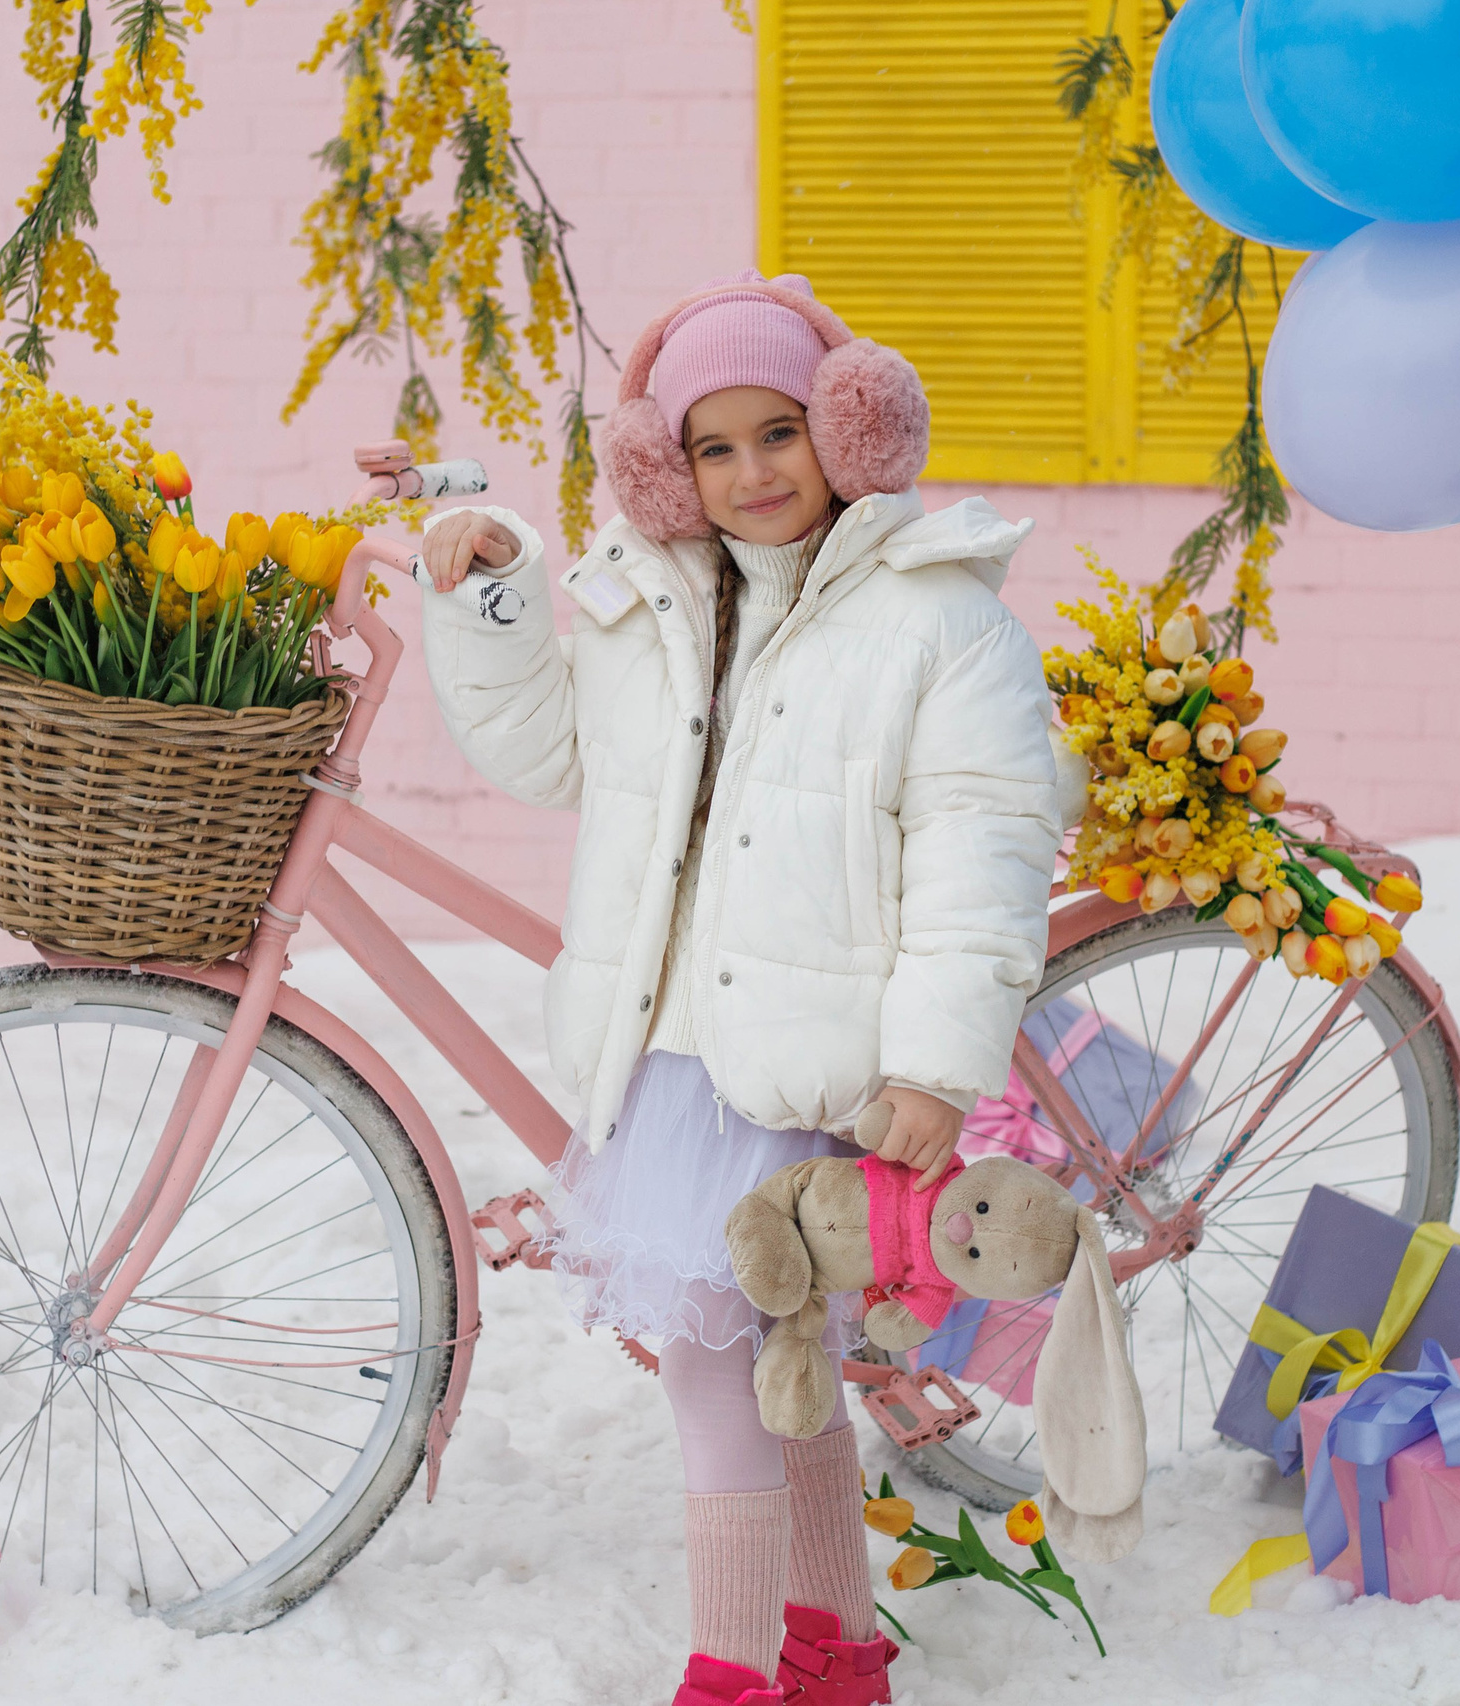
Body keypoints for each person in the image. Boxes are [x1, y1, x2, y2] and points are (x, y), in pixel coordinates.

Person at [419, 273, 1062, 1706]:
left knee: (721, 1365)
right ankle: (834, 1647)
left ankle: (727, 1668)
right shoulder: (653, 605)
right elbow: (547, 752)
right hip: (673, 1058)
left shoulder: (934, 621)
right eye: (714, 447)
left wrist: (934, 1061)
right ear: (669, 467)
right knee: (773, 1364)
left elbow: (981, 850)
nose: (755, 473)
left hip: (812, 1062)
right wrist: (494, 593)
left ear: (852, 428)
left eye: (783, 432)